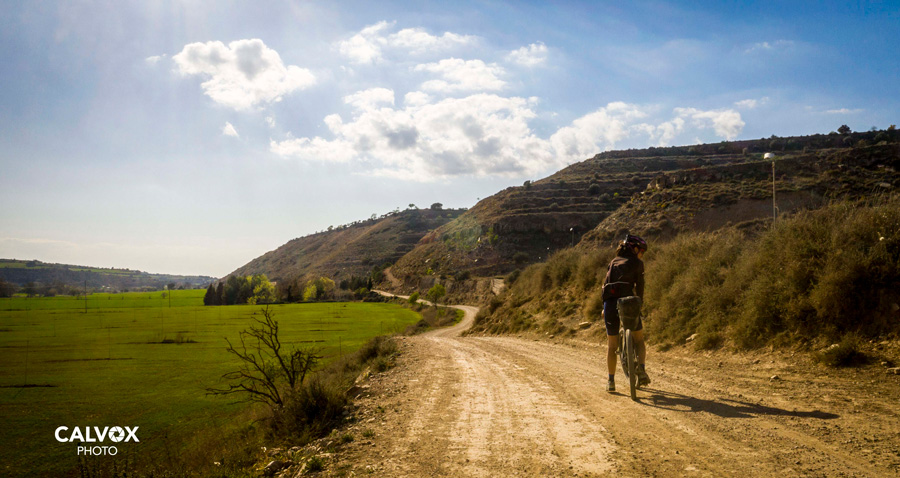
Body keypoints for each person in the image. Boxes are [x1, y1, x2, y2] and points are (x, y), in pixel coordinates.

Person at [602, 234, 650, 392]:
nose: (642, 254)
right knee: (639, 339)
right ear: (634, 249)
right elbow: (640, 286)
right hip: (628, 304)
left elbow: (605, 286)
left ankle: (611, 381)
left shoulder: (612, 262)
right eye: (641, 251)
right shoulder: (637, 263)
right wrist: (639, 304)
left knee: (612, 345)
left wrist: (604, 308)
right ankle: (641, 370)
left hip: (610, 304)